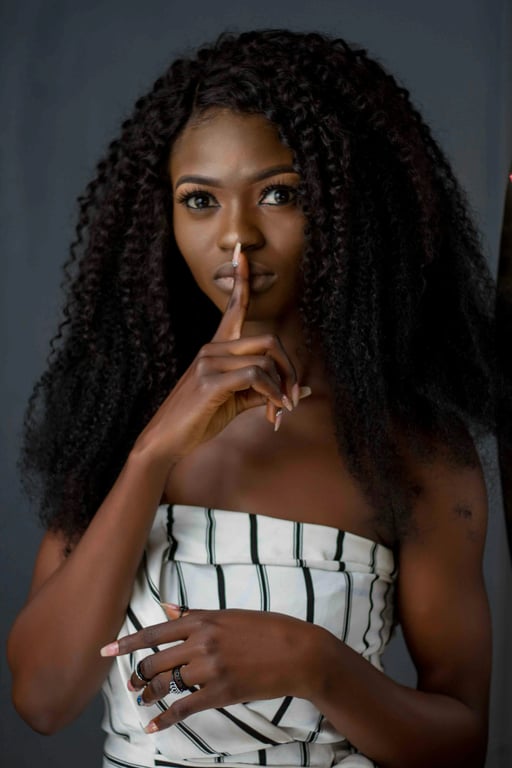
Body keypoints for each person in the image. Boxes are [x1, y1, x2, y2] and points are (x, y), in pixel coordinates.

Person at [7, 28, 509, 768]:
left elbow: (460, 745)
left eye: (280, 194)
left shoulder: (414, 449)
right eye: (200, 200)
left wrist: (312, 661)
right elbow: (43, 700)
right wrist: (153, 452)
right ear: (163, 219)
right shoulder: (118, 418)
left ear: (349, 207)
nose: (237, 238)